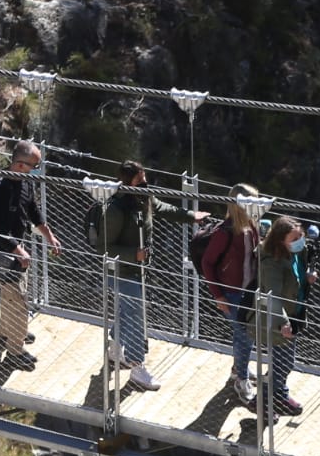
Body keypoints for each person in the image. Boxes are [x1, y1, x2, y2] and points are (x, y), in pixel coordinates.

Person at [98, 161, 208, 392]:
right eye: (140, 181)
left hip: (138, 269)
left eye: (145, 177)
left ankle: (114, 351)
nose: (145, 184)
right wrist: (133, 254)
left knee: (126, 310)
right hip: (121, 271)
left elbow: (163, 208)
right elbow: (104, 246)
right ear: (127, 183)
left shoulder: (144, 198)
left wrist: (192, 216)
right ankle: (138, 368)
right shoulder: (116, 209)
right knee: (136, 314)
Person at [0, 140, 62, 371]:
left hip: (17, 254)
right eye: (33, 166)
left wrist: (49, 236)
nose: (36, 170)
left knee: (12, 295)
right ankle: (15, 352)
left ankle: (6, 333)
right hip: (0, 254)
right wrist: (17, 250)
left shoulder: (25, 183)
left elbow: (33, 211)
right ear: (19, 164)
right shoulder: (0, 189)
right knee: (18, 301)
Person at [200, 187, 263, 402]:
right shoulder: (224, 232)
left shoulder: (251, 226)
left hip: (249, 290)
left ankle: (239, 368)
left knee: (245, 335)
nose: (256, 206)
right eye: (252, 202)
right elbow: (207, 263)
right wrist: (218, 295)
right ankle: (241, 379)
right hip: (232, 293)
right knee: (245, 335)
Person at [253, 215, 311, 417]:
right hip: (280, 319)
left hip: (295, 312)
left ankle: (275, 397)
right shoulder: (272, 262)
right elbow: (273, 296)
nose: (300, 241)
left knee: (283, 362)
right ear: (280, 241)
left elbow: (297, 275)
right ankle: (266, 402)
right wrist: (284, 322)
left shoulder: (296, 253)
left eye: (301, 236)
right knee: (284, 362)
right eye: (294, 239)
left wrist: (308, 277)